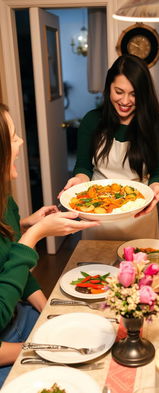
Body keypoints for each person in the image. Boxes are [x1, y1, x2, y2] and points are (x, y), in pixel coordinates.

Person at [0, 103, 99, 386]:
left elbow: (12, 271)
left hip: (21, 319)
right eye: (13, 136)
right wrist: (33, 236)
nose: (20, 141)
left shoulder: (5, 202)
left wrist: (48, 314)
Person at [59, 55, 159, 240]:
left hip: (139, 216)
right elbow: (84, 166)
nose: (125, 101)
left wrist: (156, 188)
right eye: (119, 91)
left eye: (134, 94)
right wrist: (78, 179)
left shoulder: (157, 126)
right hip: (97, 217)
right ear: (108, 87)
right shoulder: (91, 121)